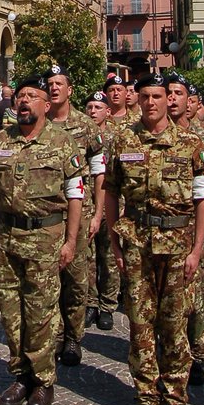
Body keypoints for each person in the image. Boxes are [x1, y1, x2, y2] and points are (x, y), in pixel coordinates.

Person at [104, 73, 204, 405]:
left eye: (158, 96)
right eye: (146, 96)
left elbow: (203, 198)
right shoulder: (123, 139)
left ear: (169, 100)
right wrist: (114, 240)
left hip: (179, 245)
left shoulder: (191, 143)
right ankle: (147, 397)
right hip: (137, 242)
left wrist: (198, 248)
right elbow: (110, 192)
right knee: (139, 322)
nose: (151, 102)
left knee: (175, 324)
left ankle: (174, 400)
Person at [0, 77, 84, 405]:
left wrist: (70, 241)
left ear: (45, 104)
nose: (24, 101)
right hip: (7, 237)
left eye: (32, 96)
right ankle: (20, 375)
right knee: (11, 313)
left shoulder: (62, 142)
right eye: (21, 96)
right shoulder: (0, 142)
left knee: (40, 313)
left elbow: (75, 195)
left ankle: (43, 381)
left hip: (45, 239)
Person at [166, 73, 204, 387]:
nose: (176, 101)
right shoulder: (154, 135)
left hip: (197, 231)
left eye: (182, 95)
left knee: (197, 294)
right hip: (166, 232)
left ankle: (197, 354)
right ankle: (172, 354)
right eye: (171, 94)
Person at [44, 64, 105, 364]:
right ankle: (54, 335)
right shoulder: (39, 124)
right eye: (50, 83)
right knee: (50, 277)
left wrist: (97, 215)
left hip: (81, 216)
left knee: (77, 279)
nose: (54, 88)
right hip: (49, 215)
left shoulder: (86, 127)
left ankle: (73, 337)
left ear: (69, 90)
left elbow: (100, 173)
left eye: (59, 83)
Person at [83, 90, 120, 331]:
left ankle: (108, 306)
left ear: (108, 111)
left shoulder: (119, 136)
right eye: (90, 108)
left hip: (113, 204)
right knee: (88, 258)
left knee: (109, 258)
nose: (93, 112)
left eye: (98, 108)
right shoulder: (82, 134)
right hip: (88, 203)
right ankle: (91, 302)